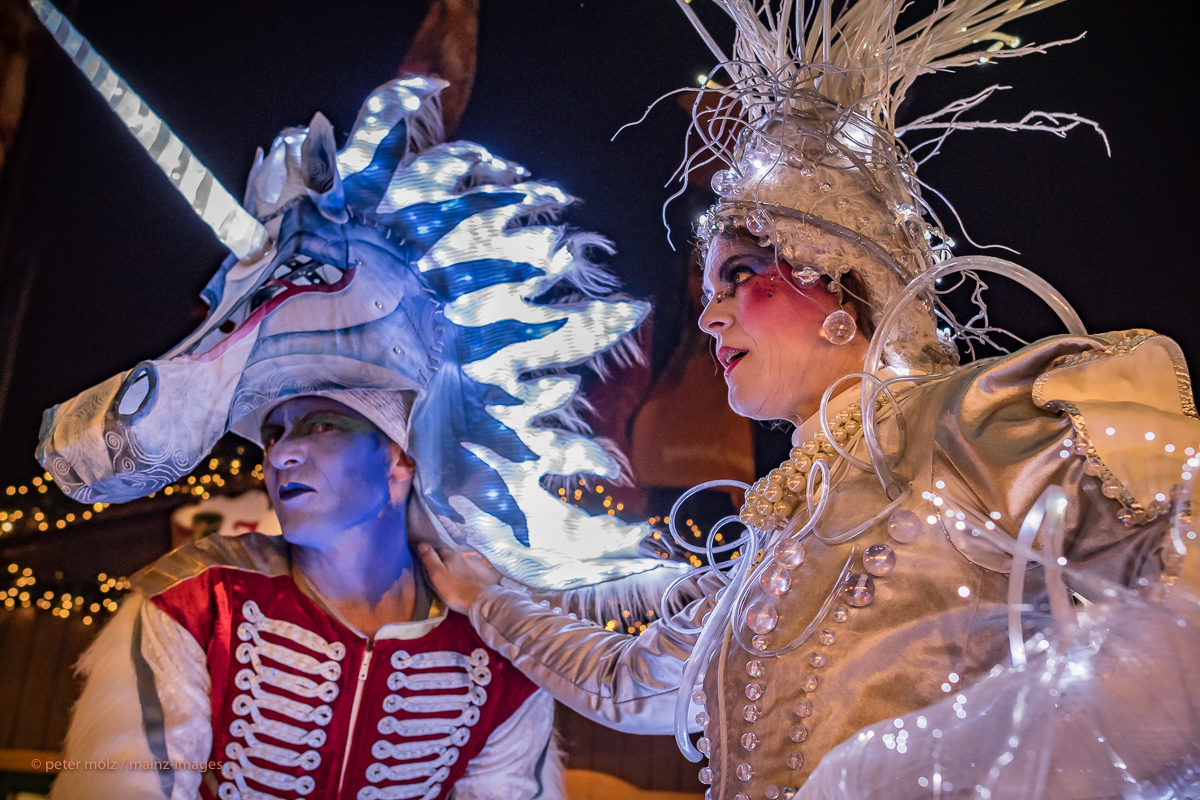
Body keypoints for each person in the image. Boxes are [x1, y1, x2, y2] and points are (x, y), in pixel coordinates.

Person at [418, 1, 1200, 797]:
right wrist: (488, 595)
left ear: (843, 288)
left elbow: (1188, 601)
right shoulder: (782, 535)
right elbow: (629, 683)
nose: (710, 311)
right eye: (707, 283)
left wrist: (928, 772)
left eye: (741, 275)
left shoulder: (978, 419)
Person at [31, 4, 675, 797]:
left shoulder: (500, 656)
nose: (283, 451)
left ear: (401, 461)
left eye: (323, 423)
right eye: (275, 431)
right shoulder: (196, 604)